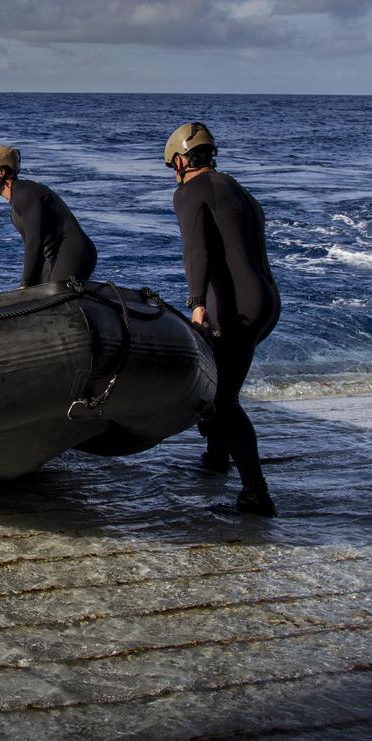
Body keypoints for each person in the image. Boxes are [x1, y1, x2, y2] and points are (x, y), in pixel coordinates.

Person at [165, 122, 280, 517]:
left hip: (233, 307)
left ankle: (255, 494)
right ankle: (216, 457)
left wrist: (197, 303)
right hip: (266, 302)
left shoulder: (189, 192)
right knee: (221, 384)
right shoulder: (237, 189)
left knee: (224, 399)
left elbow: (196, 252)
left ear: (180, 160)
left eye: (172, 167)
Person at [0, 145, 97, 287]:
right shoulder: (16, 200)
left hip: (73, 250)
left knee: (52, 297)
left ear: (1, 172)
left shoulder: (25, 193)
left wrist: (25, 283)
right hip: (52, 255)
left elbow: (34, 242)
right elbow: (31, 245)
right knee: (35, 295)